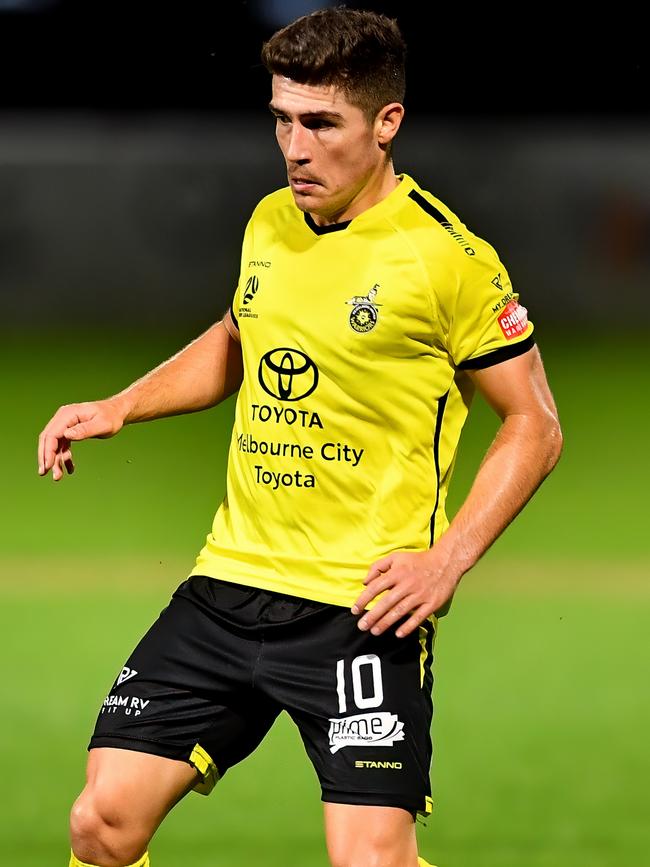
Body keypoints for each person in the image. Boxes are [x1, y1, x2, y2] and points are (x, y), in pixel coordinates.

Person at [38, 8, 562, 867]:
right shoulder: (270, 222)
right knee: (101, 823)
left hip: (360, 609)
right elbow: (239, 340)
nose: (294, 147)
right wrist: (120, 405)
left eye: (321, 123)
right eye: (282, 118)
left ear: (387, 122)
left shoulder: (448, 258)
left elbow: (535, 422)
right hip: (229, 582)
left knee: (370, 860)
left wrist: (450, 557)